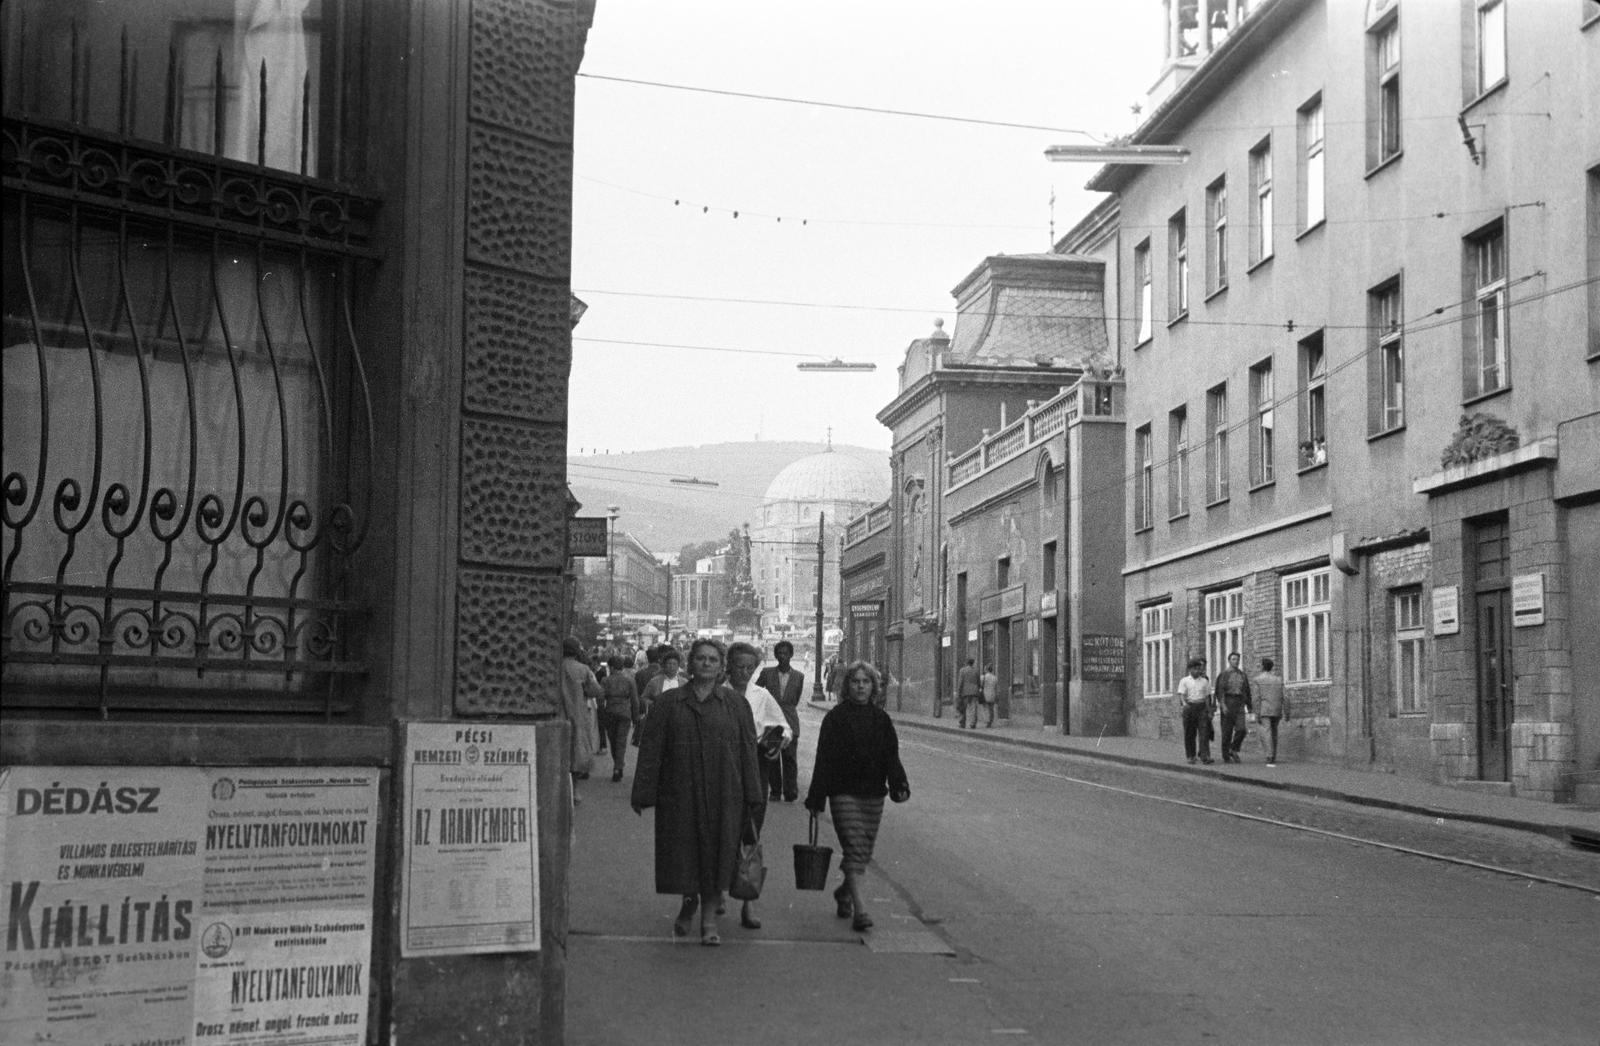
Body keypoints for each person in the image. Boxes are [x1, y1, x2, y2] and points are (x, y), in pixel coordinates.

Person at [630, 639, 764, 946]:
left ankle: (708, 920)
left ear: (720, 668)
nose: (706, 664)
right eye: (701, 659)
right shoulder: (669, 703)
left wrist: (753, 795)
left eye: (713, 660)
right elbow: (651, 750)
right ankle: (689, 903)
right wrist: (643, 792)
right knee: (686, 855)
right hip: (680, 793)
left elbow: (747, 752)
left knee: (718, 855)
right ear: (691, 664)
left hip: (724, 793)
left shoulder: (735, 704)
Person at [805, 660, 909, 933]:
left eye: (866, 682)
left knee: (862, 850)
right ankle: (861, 910)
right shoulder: (835, 718)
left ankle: (844, 893)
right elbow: (823, 759)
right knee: (854, 847)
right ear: (846, 685)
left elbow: (891, 757)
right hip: (843, 792)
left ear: (873, 686)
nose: (861, 687)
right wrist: (816, 798)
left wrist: (899, 784)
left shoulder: (881, 719)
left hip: (873, 794)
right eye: (855, 682)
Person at [725, 641, 793, 931]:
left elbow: (784, 728)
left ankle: (748, 902)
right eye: (738, 666)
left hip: (754, 767)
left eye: (749, 667)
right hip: (722, 766)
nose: (743, 671)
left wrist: (776, 743)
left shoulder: (761, 695)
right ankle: (714, 894)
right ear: (728, 666)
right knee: (719, 832)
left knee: (750, 833)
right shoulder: (719, 694)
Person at [756, 640, 806, 801]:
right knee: (772, 757)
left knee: (790, 758)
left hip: (790, 722)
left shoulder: (799, 676)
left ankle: (790, 792)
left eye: (785, 653)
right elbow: (757, 692)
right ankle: (775, 791)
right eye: (779, 653)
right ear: (775, 655)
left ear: (791, 655)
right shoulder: (766, 673)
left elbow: (795, 699)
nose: (782, 656)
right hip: (771, 722)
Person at [559, 638, 603, 802]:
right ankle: (574, 791)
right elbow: (596, 691)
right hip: (577, 715)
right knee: (576, 755)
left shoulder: (554, 667)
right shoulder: (583, 669)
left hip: (557, 715)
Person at [599, 654, 640, 782]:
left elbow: (600, 699)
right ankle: (618, 767)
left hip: (610, 712)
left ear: (611, 667)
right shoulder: (629, 680)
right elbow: (635, 700)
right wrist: (635, 717)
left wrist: (601, 715)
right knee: (621, 741)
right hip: (625, 713)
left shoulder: (605, 681)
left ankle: (617, 765)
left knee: (613, 741)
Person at [1214, 651, 1253, 763]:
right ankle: (1226, 755)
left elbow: (1247, 690)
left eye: (1237, 659)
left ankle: (1233, 748)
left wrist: (1249, 706)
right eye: (1234, 659)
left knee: (1241, 729)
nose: (1236, 661)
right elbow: (1220, 691)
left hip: (1239, 703)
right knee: (1227, 731)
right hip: (1228, 701)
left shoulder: (1242, 675)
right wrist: (1223, 705)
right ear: (1229, 661)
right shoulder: (1224, 674)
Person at [1176, 657, 1214, 765]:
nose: (1198, 671)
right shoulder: (1184, 681)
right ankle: (1191, 756)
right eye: (1195, 669)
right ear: (1190, 669)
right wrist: (1184, 704)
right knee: (1190, 733)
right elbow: (1182, 695)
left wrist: (1209, 710)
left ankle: (1204, 756)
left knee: (1204, 733)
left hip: (1201, 707)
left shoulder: (1204, 681)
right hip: (1190, 706)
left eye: (1199, 669)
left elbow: (1207, 697)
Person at [1252, 658, 1289, 766]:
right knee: (1274, 732)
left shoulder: (1257, 680)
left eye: (1260, 665)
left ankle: (1269, 755)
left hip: (1264, 709)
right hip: (1276, 709)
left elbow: (1256, 698)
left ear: (1263, 667)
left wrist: (1256, 712)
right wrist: (1287, 712)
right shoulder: (1278, 679)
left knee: (1266, 732)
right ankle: (1274, 754)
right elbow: (1286, 697)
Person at [955, 657, 982, 729]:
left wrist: (959, 692)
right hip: (974, 692)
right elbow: (979, 682)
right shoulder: (976, 670)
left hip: (965, 692)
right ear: (973, 663)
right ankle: (973, 723)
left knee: (963, 708)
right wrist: (978, 688)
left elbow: (960, 682)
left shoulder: (962, 670)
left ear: (966, 663)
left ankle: (962, 723)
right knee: (973, 708)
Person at [977, 663, 998, 728]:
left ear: (986, 669)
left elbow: (979, 685)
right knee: (991, 709)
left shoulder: (983, 677)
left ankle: (987, 721)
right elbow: (996, 687)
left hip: (985, 694)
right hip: (992, 694)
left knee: (985, 708)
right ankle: (991, 721)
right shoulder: (995, 677)